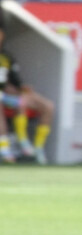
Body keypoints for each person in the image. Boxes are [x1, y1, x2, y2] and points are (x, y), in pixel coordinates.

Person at [0, 20, 55, 163]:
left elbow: (14, 79)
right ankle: (7, 150)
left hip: (7, 95)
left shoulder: (7, 57)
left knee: (47, 105)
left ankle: (37, 148)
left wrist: (22, 88)